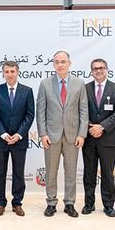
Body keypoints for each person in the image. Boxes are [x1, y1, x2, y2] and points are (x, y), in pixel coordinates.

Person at [36, 50, 88, 218]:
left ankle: (69, 203)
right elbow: (40, 111)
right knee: (51, 171)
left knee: (71, 171)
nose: (60, 65)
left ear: (69, 63)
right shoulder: (45, 84)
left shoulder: (79, 83)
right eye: (57, 62)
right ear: (53, 64)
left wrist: (82, 134)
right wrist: (43, 134)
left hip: (73, 135)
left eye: (63, 61)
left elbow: (83, 110)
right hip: (51, 136)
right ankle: (51, 203)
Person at [0, 60, 35, 216]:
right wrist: (3, 133)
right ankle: (0, 203)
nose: (9, 74)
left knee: (18, 173)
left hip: (19, 140)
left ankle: (17, 203)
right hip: (0, 140)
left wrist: (19, 134)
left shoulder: (27, 91)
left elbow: (30, 115)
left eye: (12, 71)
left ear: (17, 72)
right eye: (7, 72)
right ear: (3, 73)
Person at [82, 58, 115, 217]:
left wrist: (102, 127)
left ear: (107, 69)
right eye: (95, 68)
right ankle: (89, 204)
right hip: (89, 137)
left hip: (108, 138)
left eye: (101, 68)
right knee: (89, 173)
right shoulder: (84, 88)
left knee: (107, 173)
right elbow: (80, 111)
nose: (98, 71)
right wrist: (90, 127)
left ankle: (108, 205)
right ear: (91, 72)